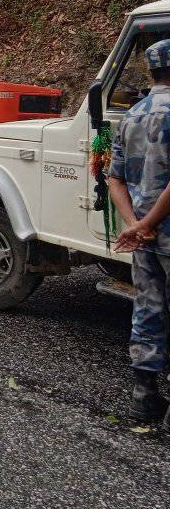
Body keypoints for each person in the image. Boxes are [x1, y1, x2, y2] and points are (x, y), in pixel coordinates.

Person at [108, 38, 170, 424]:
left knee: (148, 308)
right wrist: (148, 224)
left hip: (144, 238)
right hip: (160, 230)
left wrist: (135, 224)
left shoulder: (131, 115)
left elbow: (114, 179)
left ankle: (143, 399)